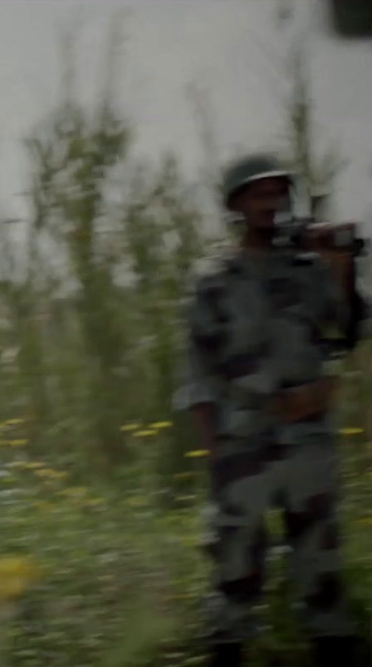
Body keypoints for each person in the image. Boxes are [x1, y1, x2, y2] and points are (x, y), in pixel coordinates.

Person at [179, 153, 369, 667]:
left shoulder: (310, 268)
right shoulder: (214, 278)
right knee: (235, 566)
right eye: (259, 194)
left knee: (320, 562)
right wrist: (214, 452)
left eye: (279, 192)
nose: (271, 203)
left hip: (307, 435)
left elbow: (346, 331)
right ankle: (227, 649)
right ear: (236, 205)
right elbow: (198, 373)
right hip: (242, 441)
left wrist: (342, 263)